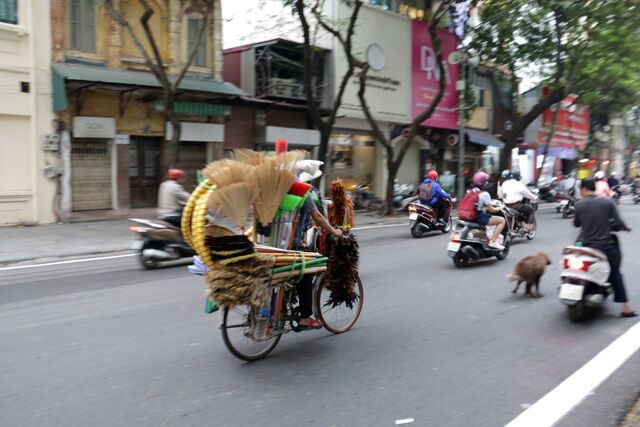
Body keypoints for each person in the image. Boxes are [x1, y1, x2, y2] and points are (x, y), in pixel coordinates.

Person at [574, 178, 636, 317]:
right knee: (615, 273)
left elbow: (577, 224)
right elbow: (619, 222)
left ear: (583, 189)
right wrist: (626, 228)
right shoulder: (608, 201)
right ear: (594, 188)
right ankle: (626, 308)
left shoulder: (579, 204)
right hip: (605, 246)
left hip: (584, 245)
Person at [292, 160, 343, 330]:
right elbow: (318, 216)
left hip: (270, 245)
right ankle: (306, 317)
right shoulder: (302, 192)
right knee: (307, 272)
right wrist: (334, 232)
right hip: (292, 246)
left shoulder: (273, 191)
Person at [468, 171, 506, 250]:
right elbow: (491, 210)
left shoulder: (469, 191)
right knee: (501, 220)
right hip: (478, 217)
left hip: (467, 216)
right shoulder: (484, 194)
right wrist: (500, 208)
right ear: (483, 182)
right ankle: (493, 241)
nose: (487, 183)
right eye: (486, 181)